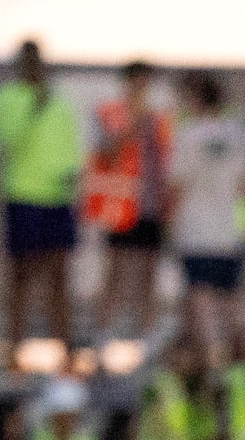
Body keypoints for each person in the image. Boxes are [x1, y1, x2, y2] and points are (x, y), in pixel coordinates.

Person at [0, 40, 81, 355]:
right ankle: (15, 344)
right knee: (21, 275)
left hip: (57, 198)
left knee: (59, 275)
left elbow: (69, 148)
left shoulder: (60, 102)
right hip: (23, 195)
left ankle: (63, 344)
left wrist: (72, 177)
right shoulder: (7, 99)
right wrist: (33, 107)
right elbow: (10, 140)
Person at [84, 62, 170, 342]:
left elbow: (167, 162)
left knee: (148, 273)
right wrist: (132, 124)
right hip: (121, 206)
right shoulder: (112, 113)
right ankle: (102, 334)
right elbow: (105, 153)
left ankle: (145, 336)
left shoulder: (160, 119)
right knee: (116, 272)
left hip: (152, 206)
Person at [167, 73, 245, 354]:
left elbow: (177, 183)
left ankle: (211, 360)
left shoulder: (189, 134)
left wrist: (168, 224)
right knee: (229, 301)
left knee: (200, 298)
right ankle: (235, 361)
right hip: (229, 231)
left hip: (197, 230)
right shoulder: (236, 133)